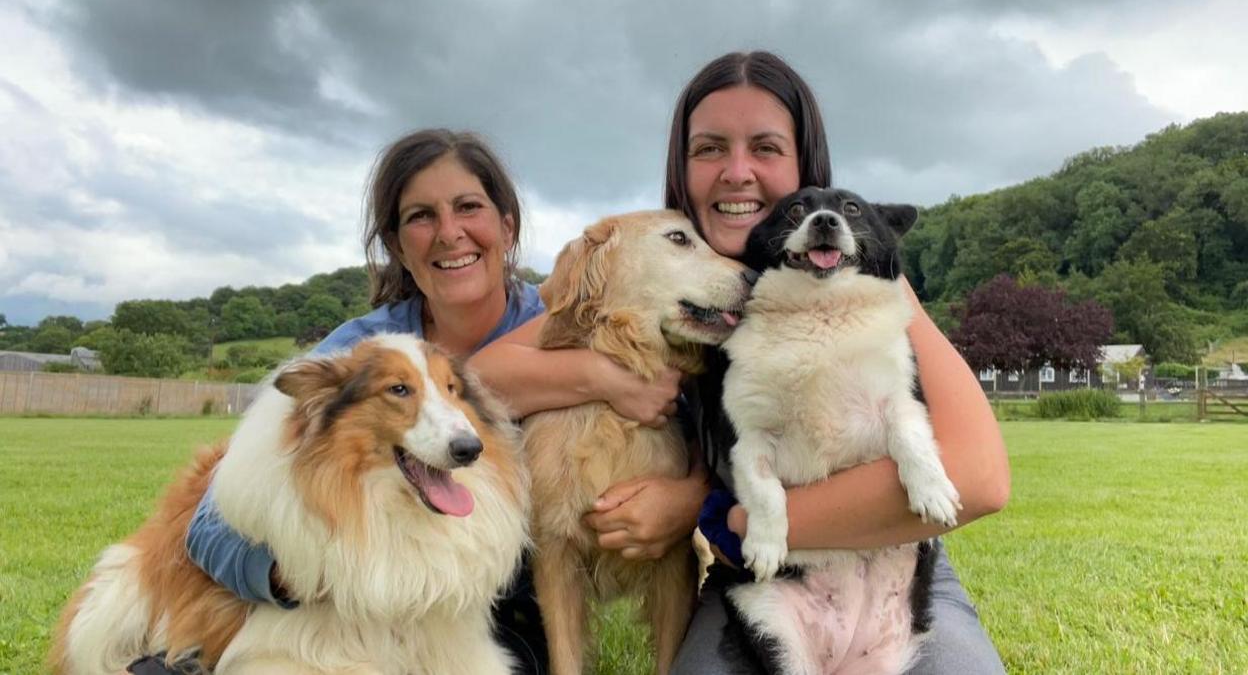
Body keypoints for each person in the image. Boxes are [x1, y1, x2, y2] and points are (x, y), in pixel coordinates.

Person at [483, 51, 1011, 674]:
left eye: (765, 147)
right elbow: (483, 376)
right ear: (682, 171)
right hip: (759, 586)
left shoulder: (864, 282)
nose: (737, 172)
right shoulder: (663, 278)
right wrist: (600, 377)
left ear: (804, 168)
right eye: (709, 149)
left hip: (890, 570)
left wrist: (715, 514)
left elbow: (979, 478)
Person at [182, 128, 681, 674]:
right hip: (360, 612)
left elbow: (696, 442)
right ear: (397, 245)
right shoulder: (359, 350)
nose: (449, 234)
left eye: (469, 207)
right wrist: (302, 571)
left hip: (506, 613)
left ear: (506, 226)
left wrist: (685, 497)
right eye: (421, 216)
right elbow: (208, 528)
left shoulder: (575, 322)